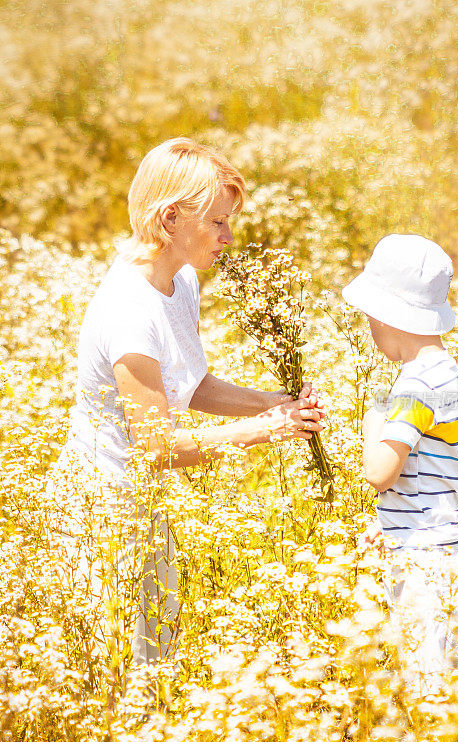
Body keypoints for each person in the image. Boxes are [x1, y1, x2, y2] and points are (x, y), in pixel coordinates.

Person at [47, 137, 324, 668]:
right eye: (217, 222)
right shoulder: (130, 310)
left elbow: (191, 387)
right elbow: (159, 447)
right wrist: (270, 427)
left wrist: (281, 403)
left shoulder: (183, 281)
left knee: (157, 660)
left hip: (146, 504)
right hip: (105, 512)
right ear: (170, 218)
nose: (229, 236)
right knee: (120, 670)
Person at [342, 233, 458, 699]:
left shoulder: (413, 386)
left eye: (370, 320)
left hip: (426, 562)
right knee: (440, 675)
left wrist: (372, 423)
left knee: (426, 687)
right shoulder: (447, 372)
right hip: (451, 549)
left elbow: (379, 473)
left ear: (387, 317)